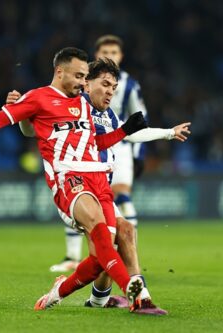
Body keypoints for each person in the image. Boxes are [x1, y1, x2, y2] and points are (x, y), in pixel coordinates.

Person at [0, 47, 149, 312]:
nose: (82, 82)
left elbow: (95, 141)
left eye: (85, 77)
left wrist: (125, 130)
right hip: (69, 178)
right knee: (100, 230)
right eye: (79, 76)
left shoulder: (83, 102)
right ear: (60, 71)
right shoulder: (38, 98)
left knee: (99, 258)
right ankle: (132, 290)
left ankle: (59, 292)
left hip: (99, 179)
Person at [10, 58, 190, 314]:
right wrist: (20, 113)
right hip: (77, 187)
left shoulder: (107, 113)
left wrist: (168, 133)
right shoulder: (73, 105)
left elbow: (129, 134)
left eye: (114, 87)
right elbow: (34, 129)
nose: (110, 91)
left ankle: (104, 299)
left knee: (123, 234)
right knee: (106, 250)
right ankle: (134, 298)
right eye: (105, 84)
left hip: (101, 187)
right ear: (86, 83)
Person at [50, 35, 149, 273]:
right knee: (89, 210)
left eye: (114, 52)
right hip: (84, 151)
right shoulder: (81, 85)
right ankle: (74, 257)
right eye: (105, 51)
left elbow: (140, 119)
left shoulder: (130, 85)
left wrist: (140, 153)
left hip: (120, 146)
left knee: (119, 202)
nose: (110, 56)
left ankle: (127, 263)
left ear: (121, 56)